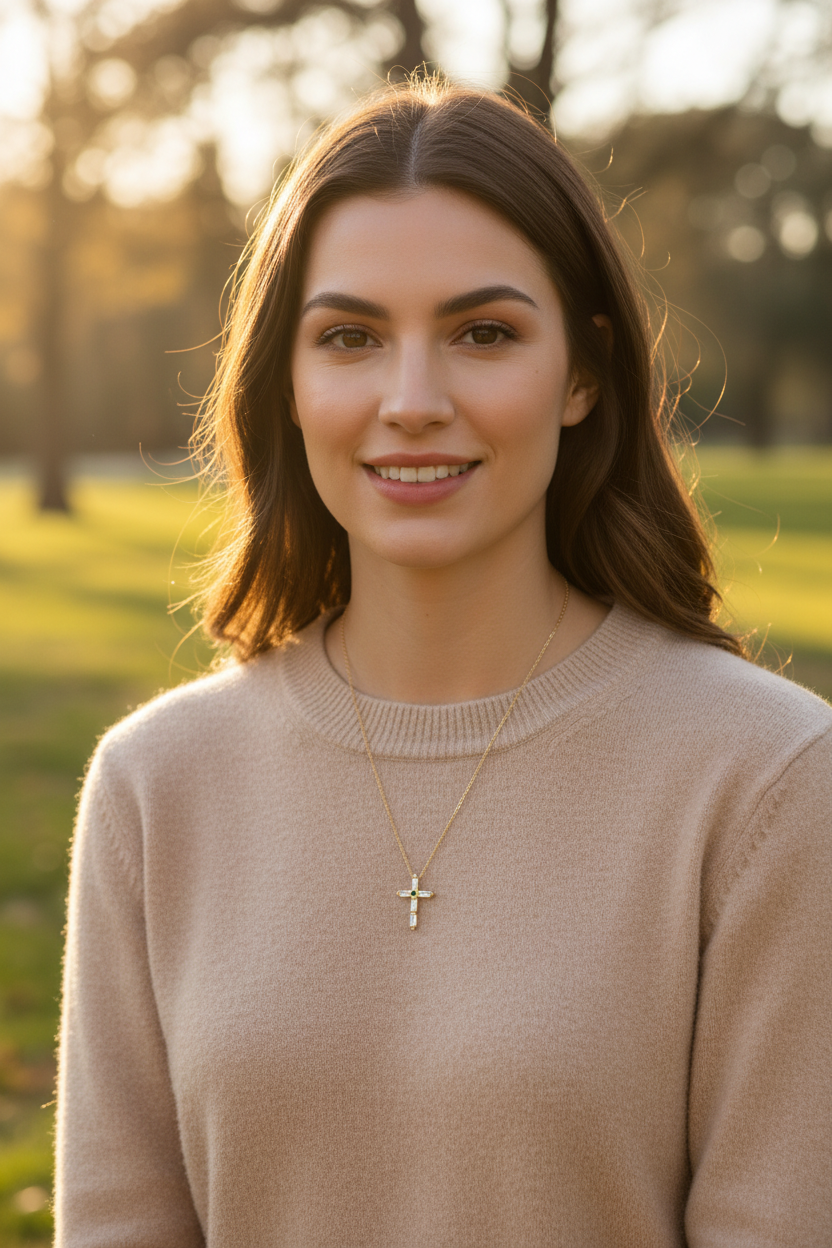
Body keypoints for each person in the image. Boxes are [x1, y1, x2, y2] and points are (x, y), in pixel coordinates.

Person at [55, 77, 831, 1246]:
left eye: (483, 334)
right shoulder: (155, 789)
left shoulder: (768, 781)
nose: (410, 402)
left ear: (581, 373)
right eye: (350, 338)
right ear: (290, 380)